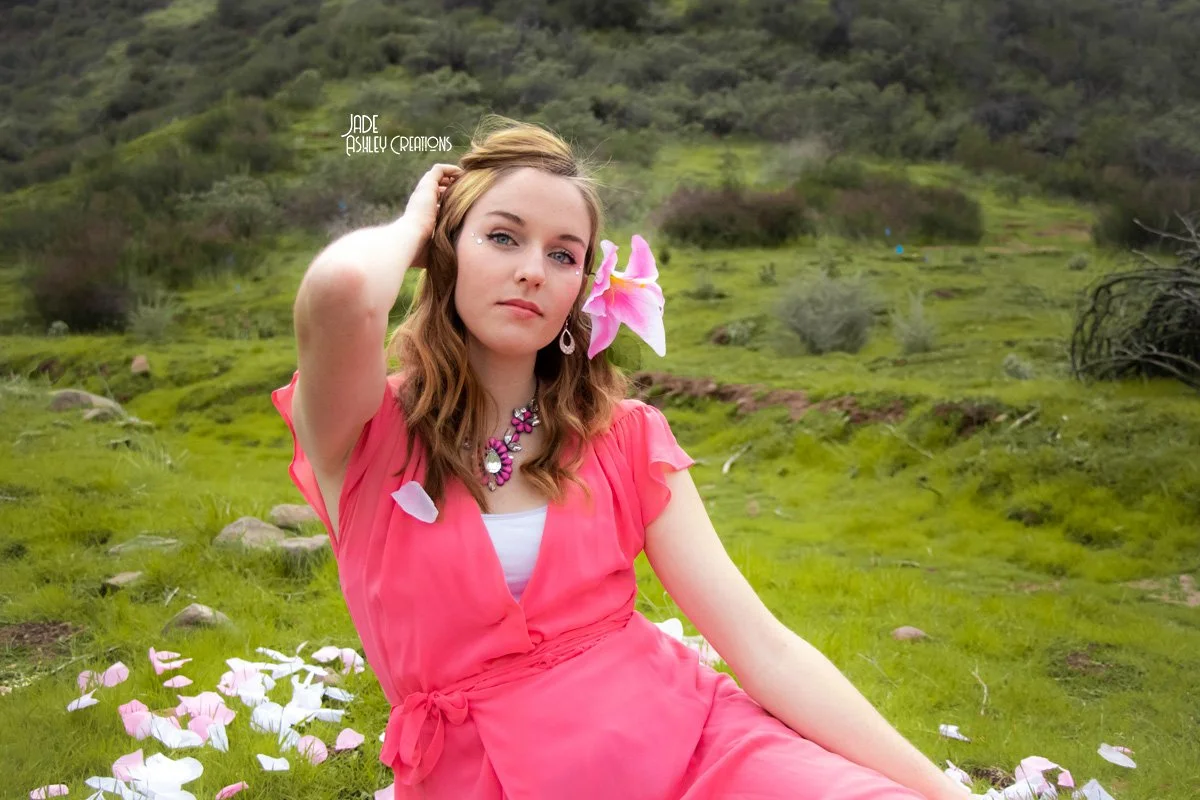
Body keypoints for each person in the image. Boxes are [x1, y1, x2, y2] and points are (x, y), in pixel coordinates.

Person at [271, 117, 967, 799]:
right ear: (445, 250)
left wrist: (942, 793)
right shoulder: (363, 437)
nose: (531, 272)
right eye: (502, 237)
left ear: (583, 284)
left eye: (563, 254)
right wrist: (417, 221)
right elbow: (343, 295)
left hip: (704, 748)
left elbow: (765, 648)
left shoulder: (623, 436)